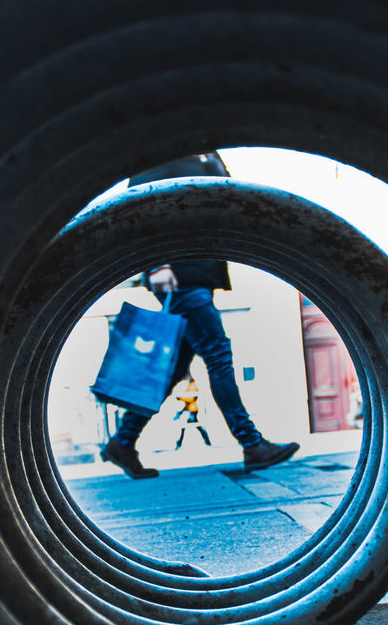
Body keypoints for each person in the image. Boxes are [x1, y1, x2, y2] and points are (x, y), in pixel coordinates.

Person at [100, 152, 300, 480]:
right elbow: (140, 207)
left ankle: (123, 442)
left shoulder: (207, 152)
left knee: (170, 369)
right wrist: (157, 264)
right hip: (180, 273)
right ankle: (252, 444)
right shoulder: (161, 148)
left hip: (199, 272)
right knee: (218, 353)